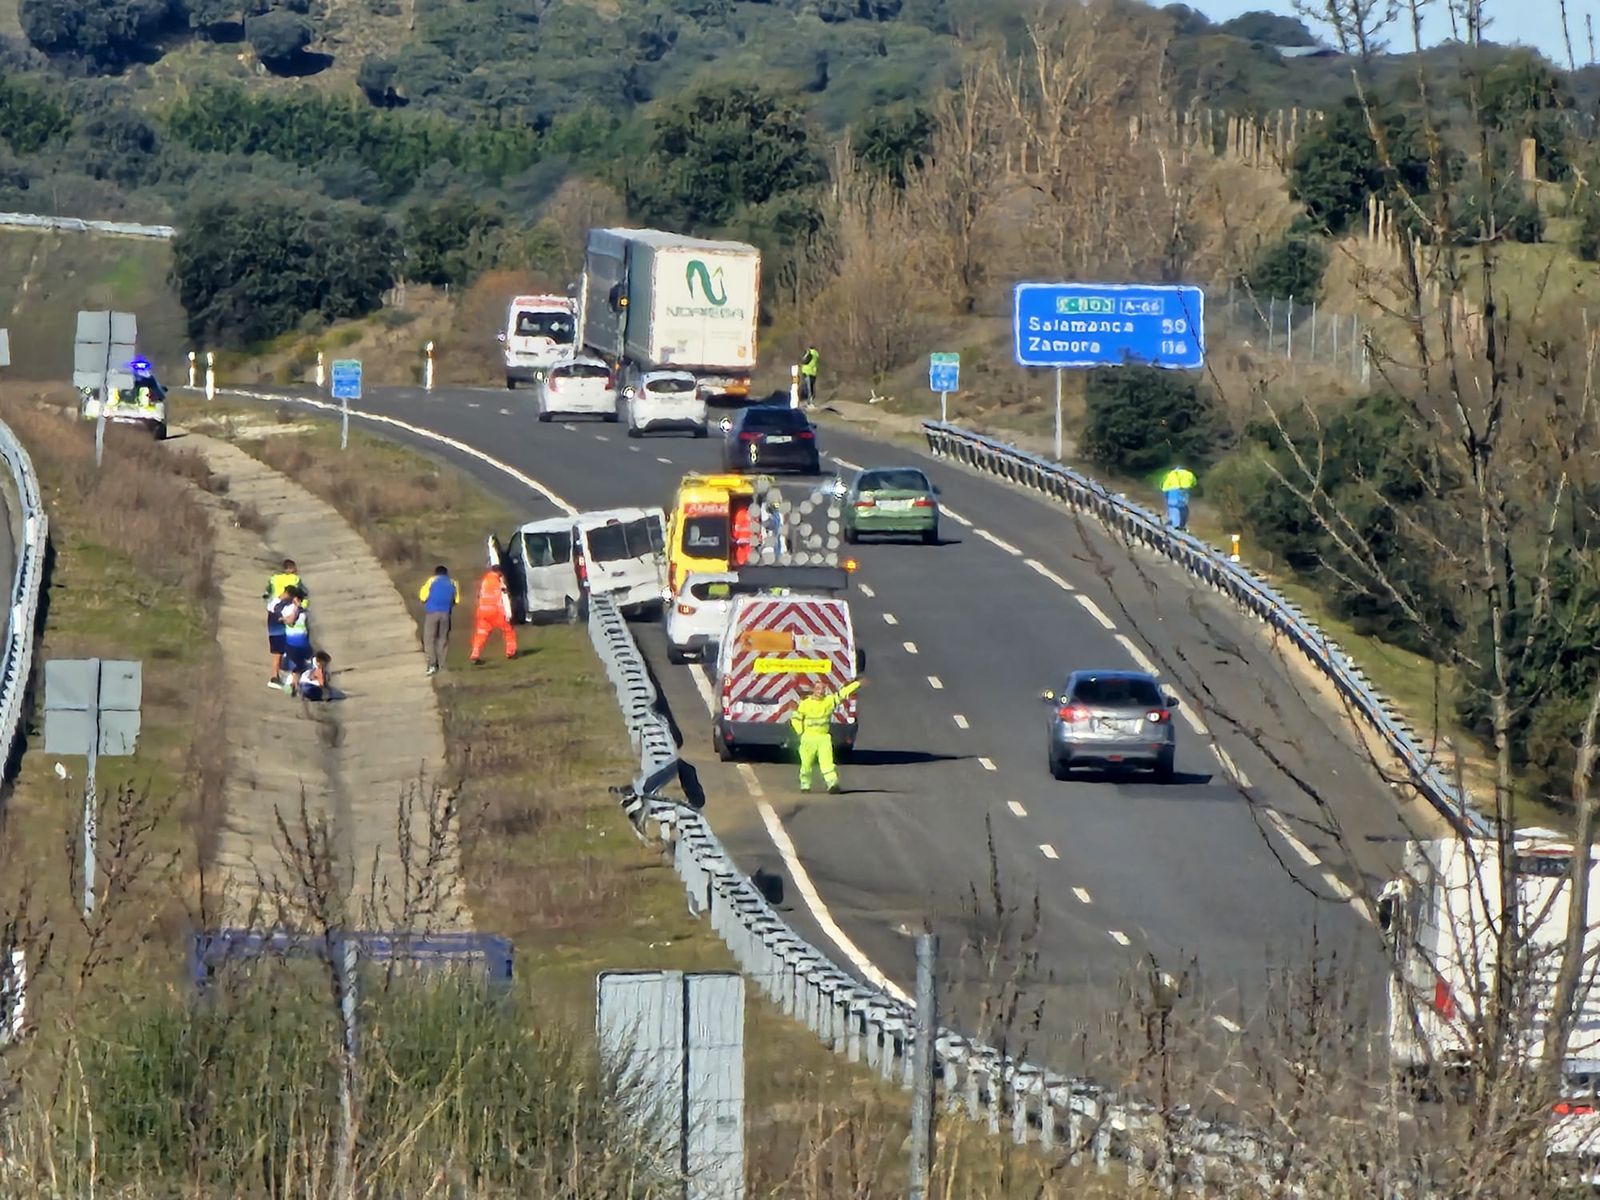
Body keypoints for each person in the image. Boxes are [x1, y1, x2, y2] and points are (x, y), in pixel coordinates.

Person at [789, 676, 864, 794]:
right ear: (813, 690)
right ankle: (805, 785)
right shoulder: (805, 704)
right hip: (808, 738)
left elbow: (842, 694)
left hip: (823, 738)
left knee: (827, 763)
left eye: (822, 689)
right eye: (818, 689)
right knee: (806, 764)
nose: (820, 692)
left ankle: (832, 784)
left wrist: (857, 684)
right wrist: (800, 731)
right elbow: (796, 718)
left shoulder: (828, 701)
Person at [263, 559, 306, 686]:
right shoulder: (296, 580)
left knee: (278, 649)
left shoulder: (274, 579)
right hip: (288, 611)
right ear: (292, 569)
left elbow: (266, 593)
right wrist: (299, 607)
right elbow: (303, 594)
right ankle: (293, 679)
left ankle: (277, 675)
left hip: (274, 613)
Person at [469, 563, 517, 664]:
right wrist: (508, 613)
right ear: (499, 572)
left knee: (481, 633)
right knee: (508, 630)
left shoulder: (485, 581)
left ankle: (475, 653)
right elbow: (504, 597)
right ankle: (510, 651)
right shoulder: (499, 582)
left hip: (483, 611)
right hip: (496, 611)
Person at [417, 565, 459, 676]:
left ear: (436, 573)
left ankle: (432, 664)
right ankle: (442, 665)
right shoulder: (453, 583)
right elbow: (456, 600)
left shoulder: (432, 581)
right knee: (443, 639)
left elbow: (423, 596)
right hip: (446, 614)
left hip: (432, 612)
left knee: (429, 639)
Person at [278, 587, 313, 694]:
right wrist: (296, 608)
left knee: (300, 666)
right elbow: (290, 621)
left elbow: (306, 627)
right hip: (292, 643)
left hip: (301, 642)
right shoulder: (288, 609)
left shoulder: (303, 611)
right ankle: (294, 685)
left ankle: (295, 685)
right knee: (296, 665)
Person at [1160, 464, 1197, 531]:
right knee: (1183, 507)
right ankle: (1182, 524)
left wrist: (1166, 495)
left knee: (1173, 506)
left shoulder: (1171, 474)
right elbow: (1194, 482)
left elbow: (1164, 485)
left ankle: (1176, 525)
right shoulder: (1189, 474)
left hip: (1173, 490)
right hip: (1185, 490)